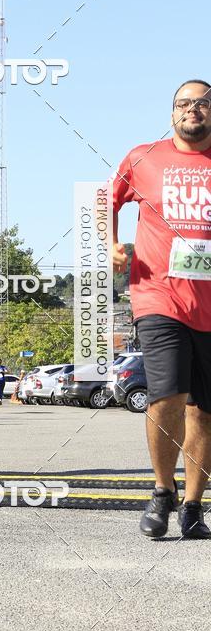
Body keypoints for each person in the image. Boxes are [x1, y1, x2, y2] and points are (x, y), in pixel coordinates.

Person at [113, 79, 211, 539]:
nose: (193, 109)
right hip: (158, 296)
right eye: (184, 103)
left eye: (203, 103)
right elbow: (105, 199)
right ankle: (161, 490)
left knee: (203, 412)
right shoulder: (143, 158)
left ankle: (193, 505)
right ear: (172, 113)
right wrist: (110, 243)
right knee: (167, 395)